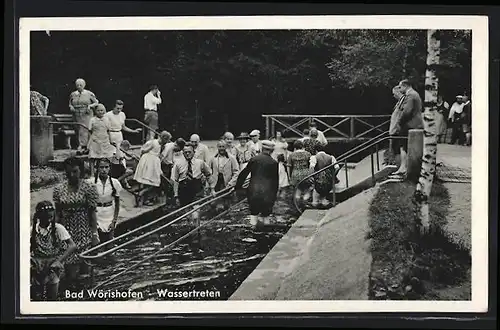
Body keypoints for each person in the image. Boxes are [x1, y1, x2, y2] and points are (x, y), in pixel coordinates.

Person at [53, 157, 100, 281]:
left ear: (81, 171)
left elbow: (92, 212)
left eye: (75, 171)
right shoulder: (59, 189)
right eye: (68, 172)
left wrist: (94, 234)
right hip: (67, 233)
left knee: (85, 272)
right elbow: (57, 213)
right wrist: (54, 232)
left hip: (84, 232)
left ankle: (85, 294)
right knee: (70, 273)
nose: (71, 175)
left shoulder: (88, 188)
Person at [30, 201, 76, 301]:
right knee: (37, 293)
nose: (49, 220)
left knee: (52, 292)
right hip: (37, 265)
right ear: (38, 216)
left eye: (51, 217)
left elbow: (72, 245)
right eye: (46, 218)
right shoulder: (32, 230)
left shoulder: (58, 228)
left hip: (52, 265)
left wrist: (59, 260)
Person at [235, 140, 279, 227]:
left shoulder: (254, 159)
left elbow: (243, 174)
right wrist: (274, 196)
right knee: (266, 216)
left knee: (253, 214)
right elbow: (275, 181)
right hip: (267, 193)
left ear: (262, 149)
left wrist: (237, 187)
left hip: (253, 191)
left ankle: (252, 230)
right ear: (272, 151)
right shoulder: (274, 163)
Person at [391, 79, 424, 177]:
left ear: (406, 86)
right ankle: (403, 167)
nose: (399, 89)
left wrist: (400, 121)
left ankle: (404, 167)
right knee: (403, 146)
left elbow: (407, 111)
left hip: (410, 124)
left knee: (404, 146)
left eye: (400, 87)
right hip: (412, 123)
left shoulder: (411, 95)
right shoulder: (414, 94)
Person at [133, 131, 171, 206]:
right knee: (149, 182)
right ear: (163, 138)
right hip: (148, 162)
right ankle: (142, 196)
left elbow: (159, 155)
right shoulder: (153, 143)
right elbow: (143, 150)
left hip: (154, 164)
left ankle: (142, 195)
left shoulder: (162, 146)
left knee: (154, 182)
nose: (167, 142)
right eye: (166, 140)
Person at [171, 143, 213, 207]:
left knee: (195, 213)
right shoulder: (178, 164)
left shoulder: (200, 163)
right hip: (184, 191)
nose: (187, 154)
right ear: (183, 153)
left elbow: (209, 175)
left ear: (194, 152)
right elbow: (176, 181)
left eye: (189, 152)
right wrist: (176, 196)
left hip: (197, 190)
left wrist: (212, 189)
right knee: (186, 212)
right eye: (185, 152)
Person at [93, 158, 122, 243]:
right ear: (97, 168)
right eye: (101, 167)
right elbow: (89, 204)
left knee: (110, 241)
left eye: (106, 167)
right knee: (98, 243)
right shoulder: (92, 183)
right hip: (97, 213)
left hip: (109, 213)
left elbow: (117, 203)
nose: (104, 170)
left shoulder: (115, 183)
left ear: (109, 168)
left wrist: (114, 220)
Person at [69, 78, 99, 153]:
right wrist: (71, 107)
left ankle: (84, 146)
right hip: (76, 113)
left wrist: (90, 106)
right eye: (77, 85)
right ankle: (81, 145)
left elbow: (96, 102)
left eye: (80, 85)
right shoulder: (73, 94)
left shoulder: (89, 94)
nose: (79, 86)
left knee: (85, 129)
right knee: (78, 130)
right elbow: (70, 103)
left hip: (86, 113)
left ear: (84, 85)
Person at [87, 104, 116, 176]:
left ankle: (105, 173)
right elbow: (90, 131)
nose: (100, 112)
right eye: (98, 110)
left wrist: (111, 140)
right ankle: (92, 173)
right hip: (95, 140)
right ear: (95, 111)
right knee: (93, 157)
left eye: (102, 110)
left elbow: (108, 131)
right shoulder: (92, 120)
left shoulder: (106, 119)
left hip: (105, 140)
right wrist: (89, 141)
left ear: (104, 111)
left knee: (106, 157)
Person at [309, 144, 341, 208]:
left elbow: (312, 167)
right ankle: (324, 205)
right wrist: (333, 176)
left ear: (316, 150)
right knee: (324, 196)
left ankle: (315, 206)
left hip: (318, 179)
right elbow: (337, 168)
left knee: (315, 196)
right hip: (328, 180)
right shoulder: (331, 157)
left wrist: (311, 176)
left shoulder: (314, 157)